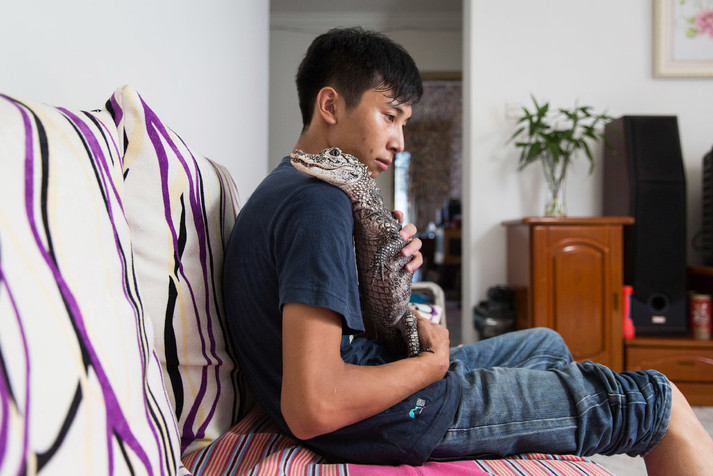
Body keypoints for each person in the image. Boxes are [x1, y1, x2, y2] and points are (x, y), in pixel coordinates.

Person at [223, 27, 713, 474]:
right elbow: (314, 406)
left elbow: (331, 336)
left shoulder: (291, 184)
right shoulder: (318, 204)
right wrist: (430, 366)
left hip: (383, 384)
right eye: (389, 116)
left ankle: (544, 423)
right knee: (656, 401)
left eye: (404, 123)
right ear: (330, 105)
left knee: (545, 344)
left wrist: (384, 282)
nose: (399, 141)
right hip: (401, 417)